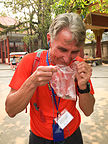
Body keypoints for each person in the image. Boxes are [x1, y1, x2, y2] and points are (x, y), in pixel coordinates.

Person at [5, 13, 95, 144]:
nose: (67, 58)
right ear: (49, 39)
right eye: (62, 49)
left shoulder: (78, 64)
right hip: (39, 137)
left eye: (74, 51)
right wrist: (32, 82)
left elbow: (88, 111)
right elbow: (10, 110)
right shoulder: (30, 62)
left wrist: (83, 87)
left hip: (72, 135)